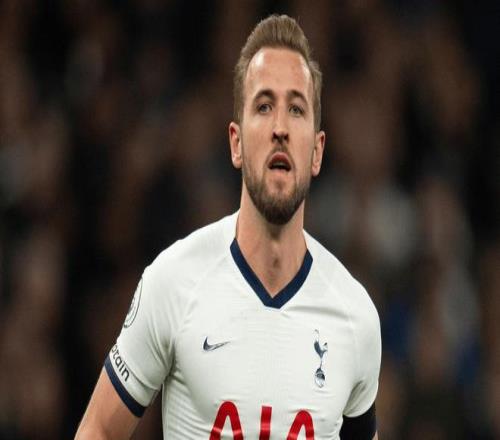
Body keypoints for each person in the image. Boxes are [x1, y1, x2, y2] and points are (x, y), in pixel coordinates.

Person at [75, 14, 381, 439]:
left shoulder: (355, 317)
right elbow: (99, 431)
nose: (279, 128)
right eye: (264, 106)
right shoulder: (174, 282)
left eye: (296, 109)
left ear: (317, 151)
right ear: (236, 143)